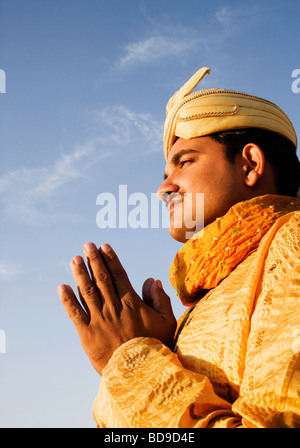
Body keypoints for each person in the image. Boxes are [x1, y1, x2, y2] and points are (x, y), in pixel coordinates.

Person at [57, 67, 300, 428]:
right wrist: (158, 353)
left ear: (249, 164)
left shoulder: (291, 245)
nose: (163, 188)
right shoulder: (203, 298)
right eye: (164, 174)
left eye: (184, 162)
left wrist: (134, 363)